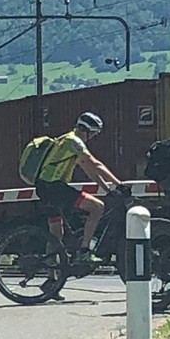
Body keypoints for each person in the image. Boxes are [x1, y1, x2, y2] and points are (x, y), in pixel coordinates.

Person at [34, 112, 121, 263]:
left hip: (44, 187)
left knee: (56, 234)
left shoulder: (67, 141)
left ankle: (52, 278)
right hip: (54, 187)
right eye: (93, 133)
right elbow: (96, 164)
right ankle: (84, 251)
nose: (93, 136)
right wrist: (119, 184)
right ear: (85, 130)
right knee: (97, 207)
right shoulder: (74, 141)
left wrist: (108, 190)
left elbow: (89, 170)